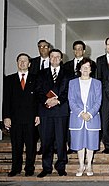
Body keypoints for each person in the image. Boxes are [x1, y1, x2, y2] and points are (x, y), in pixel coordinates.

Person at [3, 53, 40, 177]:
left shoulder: (35, 79)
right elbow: (6, 100)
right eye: (20, 60)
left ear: (29, 64)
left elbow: (38, 99)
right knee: (16, 145)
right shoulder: (9, 79)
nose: (22, 63)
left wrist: (38, 115)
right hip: (15, 119)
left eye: (25, 61)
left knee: (30, 145)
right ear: (17, 63)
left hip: (31, 118)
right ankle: (16, 168)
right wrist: (6, 117)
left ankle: (29, 168)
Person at [36, 49, 69, 178]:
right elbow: (38, 91)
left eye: (57, 57)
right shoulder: (41, 74)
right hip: (46, 111)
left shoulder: (67, 73)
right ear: (49, 58)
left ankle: (61, 167)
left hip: (61, 111)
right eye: (52, 57)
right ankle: (46, 167)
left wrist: (58, 100)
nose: (55, 59)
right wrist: (46, 100)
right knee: (46, 141)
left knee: (61, 141)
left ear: (61, 59)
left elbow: (68, 91)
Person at [68, 57, 102, 176]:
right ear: (80, 69)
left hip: (92, 118)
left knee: (91, 143)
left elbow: (98, 101)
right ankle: (81, 165)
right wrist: (81, 113)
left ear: (91, 69)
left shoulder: (97, 83)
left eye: (88, 67)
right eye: (83, 67)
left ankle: (89, 166)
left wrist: (90, 113)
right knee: (79, 142)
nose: (85, 69)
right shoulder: (72, 83)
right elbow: (71, 100)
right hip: (77, 118)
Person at [29, 39, 51, 155]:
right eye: (40, 47)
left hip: (51, 98)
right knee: (38, 124)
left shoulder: (54, 61)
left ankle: (50, 145)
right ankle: (41, 145)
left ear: (49, 48)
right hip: (36, 98)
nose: (42, 49)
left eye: (45, 46)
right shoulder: (32, 62)